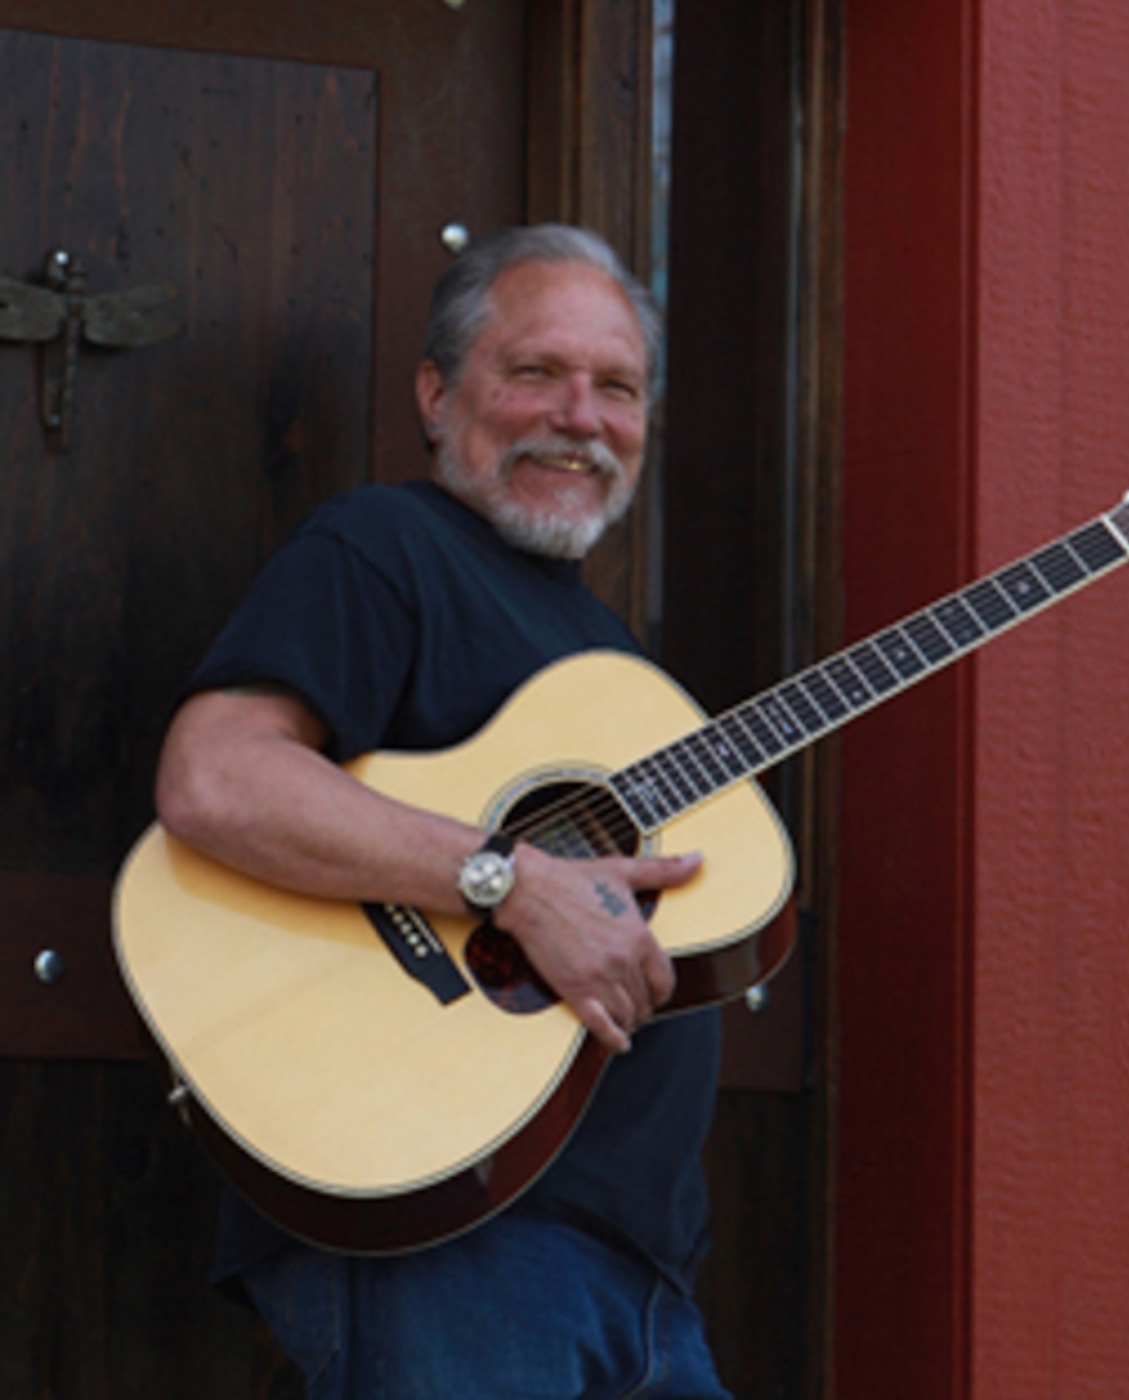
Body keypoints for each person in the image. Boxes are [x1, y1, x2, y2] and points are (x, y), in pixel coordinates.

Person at [154, 224, 733, 1398]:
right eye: (534, 373)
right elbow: (214, 775)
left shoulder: (612, 664)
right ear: (436, 392)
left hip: (645, 1278)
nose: (580, 414)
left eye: (615, 386)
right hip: (452, 1244)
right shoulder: (383, 546)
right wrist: (509, 880)